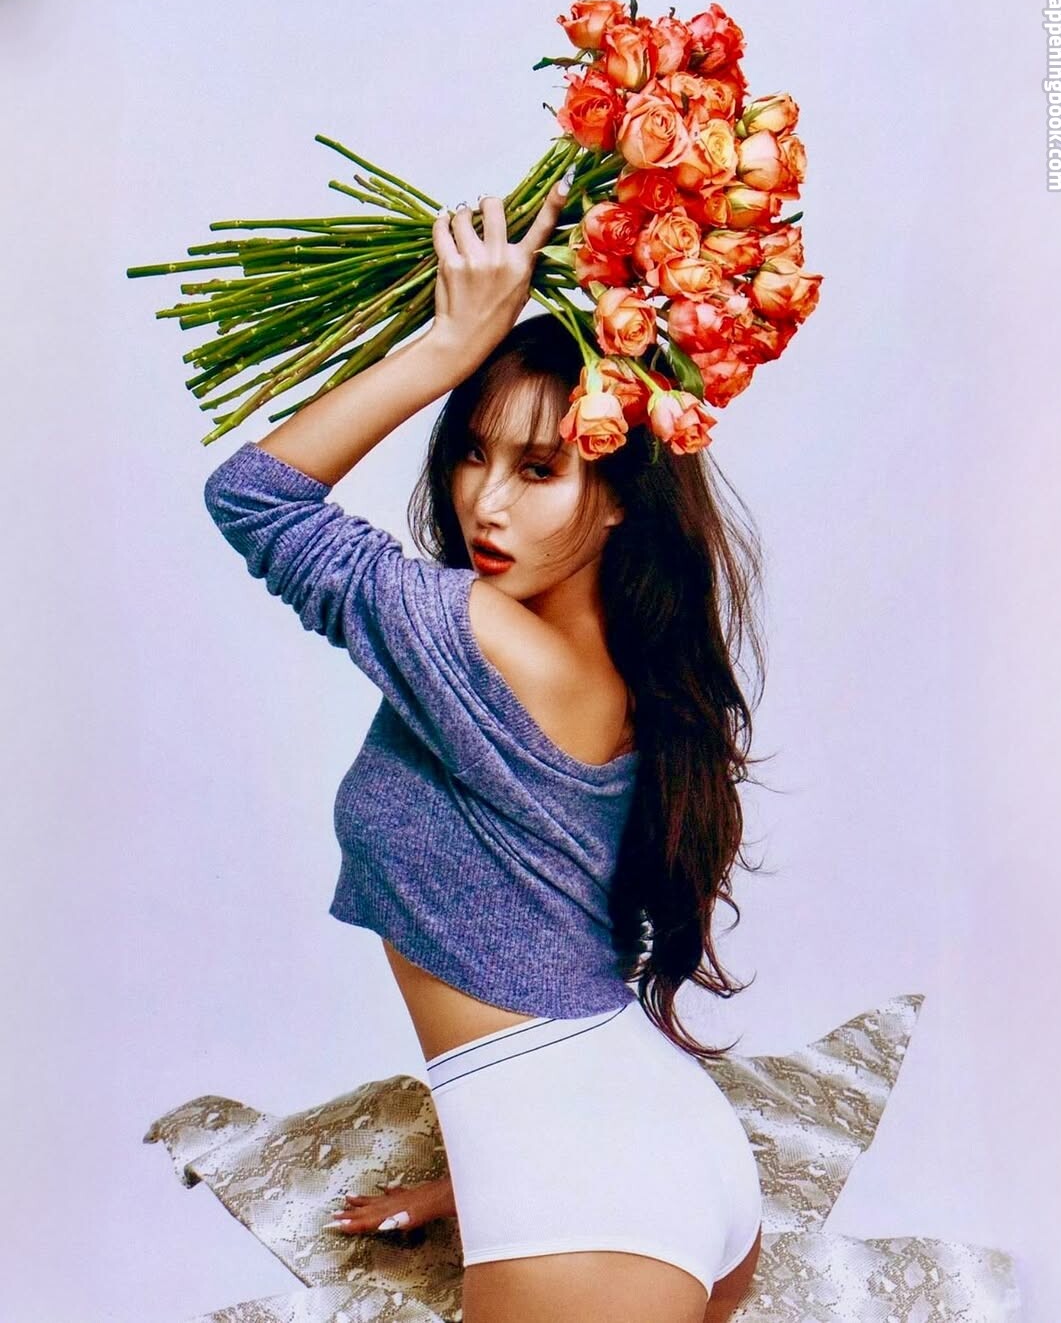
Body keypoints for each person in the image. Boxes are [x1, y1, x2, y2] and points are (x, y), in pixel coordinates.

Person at [203, 176, 765, 1323]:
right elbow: (561, 934)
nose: (485, 504)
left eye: (540, 469)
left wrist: (449, 348)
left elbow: (256, 499)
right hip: (650, 1157)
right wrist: (481, 1179)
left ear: (620, 495)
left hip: (588, 1205)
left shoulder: (484, 639)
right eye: (471, 453)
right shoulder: (620, 669)